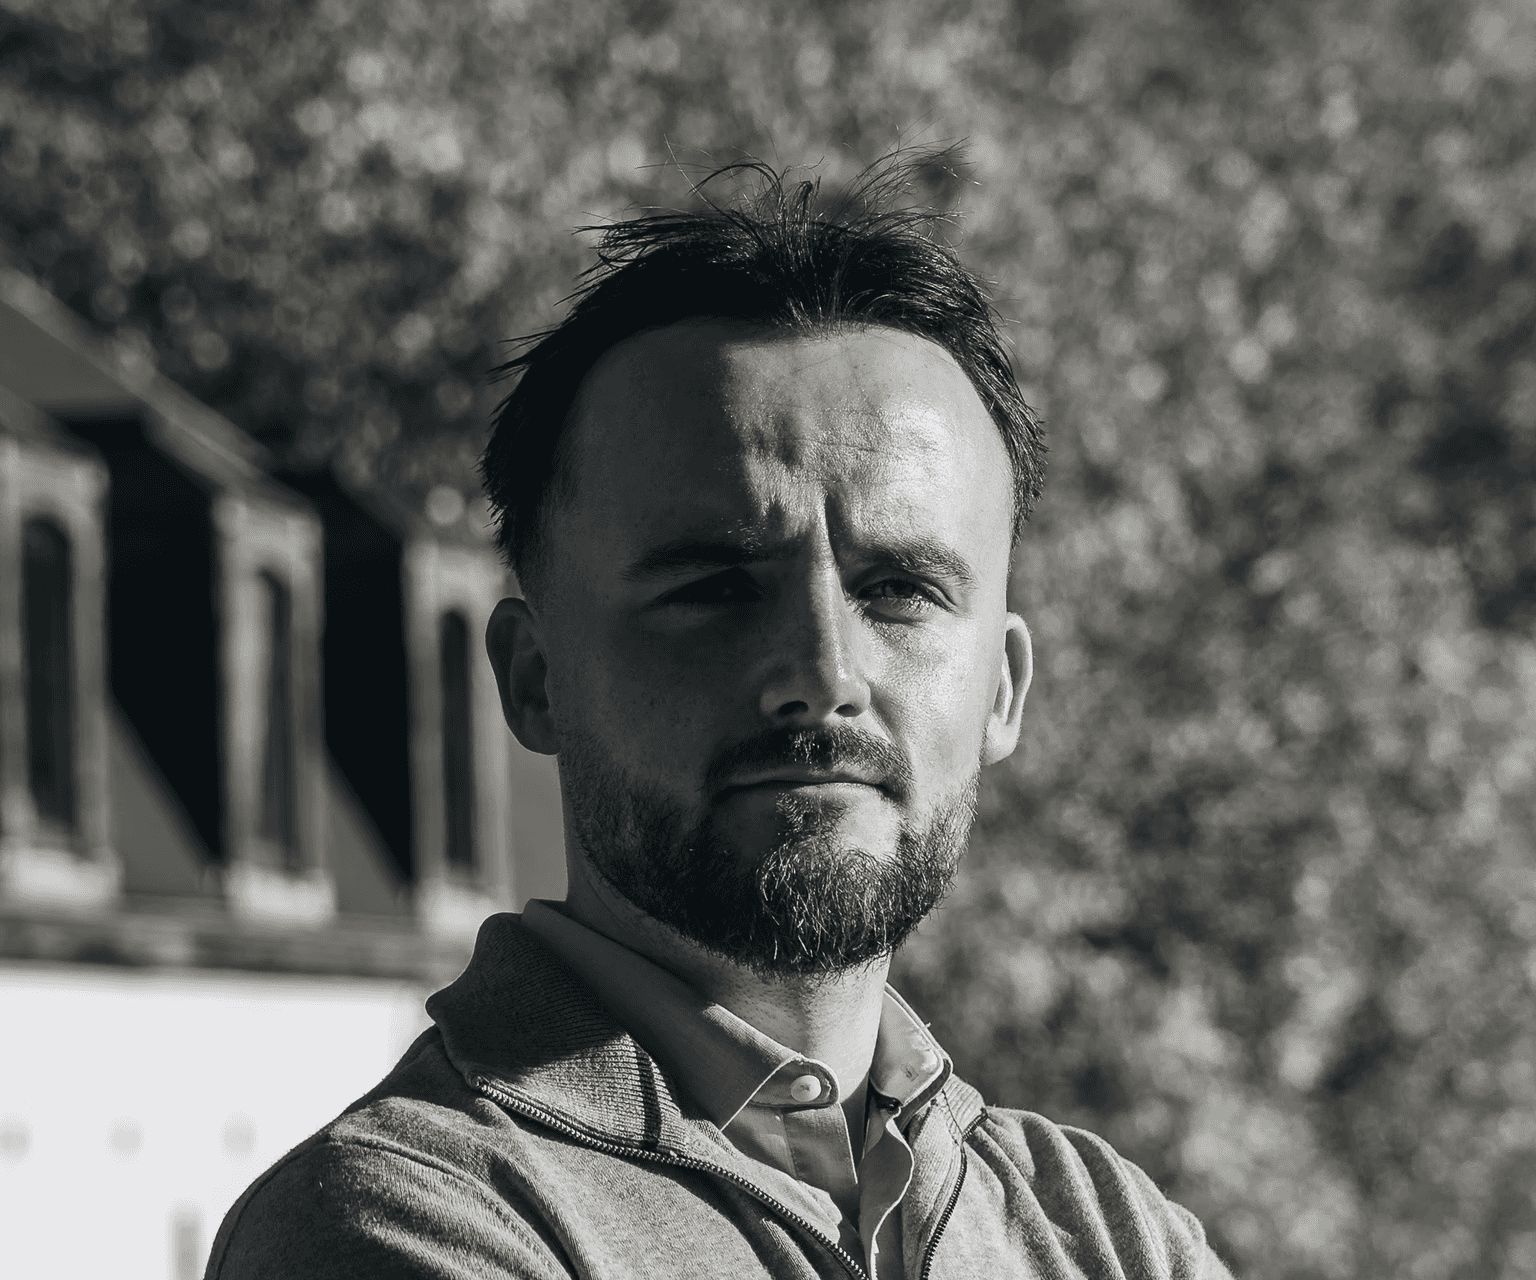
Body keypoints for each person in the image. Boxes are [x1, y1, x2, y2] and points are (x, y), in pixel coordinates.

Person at [207, 157, 1234, 1279]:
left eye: (900, 588)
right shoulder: (394, 1221)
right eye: (711, 586)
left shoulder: (1106, 1226)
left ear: (1002, 687)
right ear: (533, 677)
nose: (822, 673)